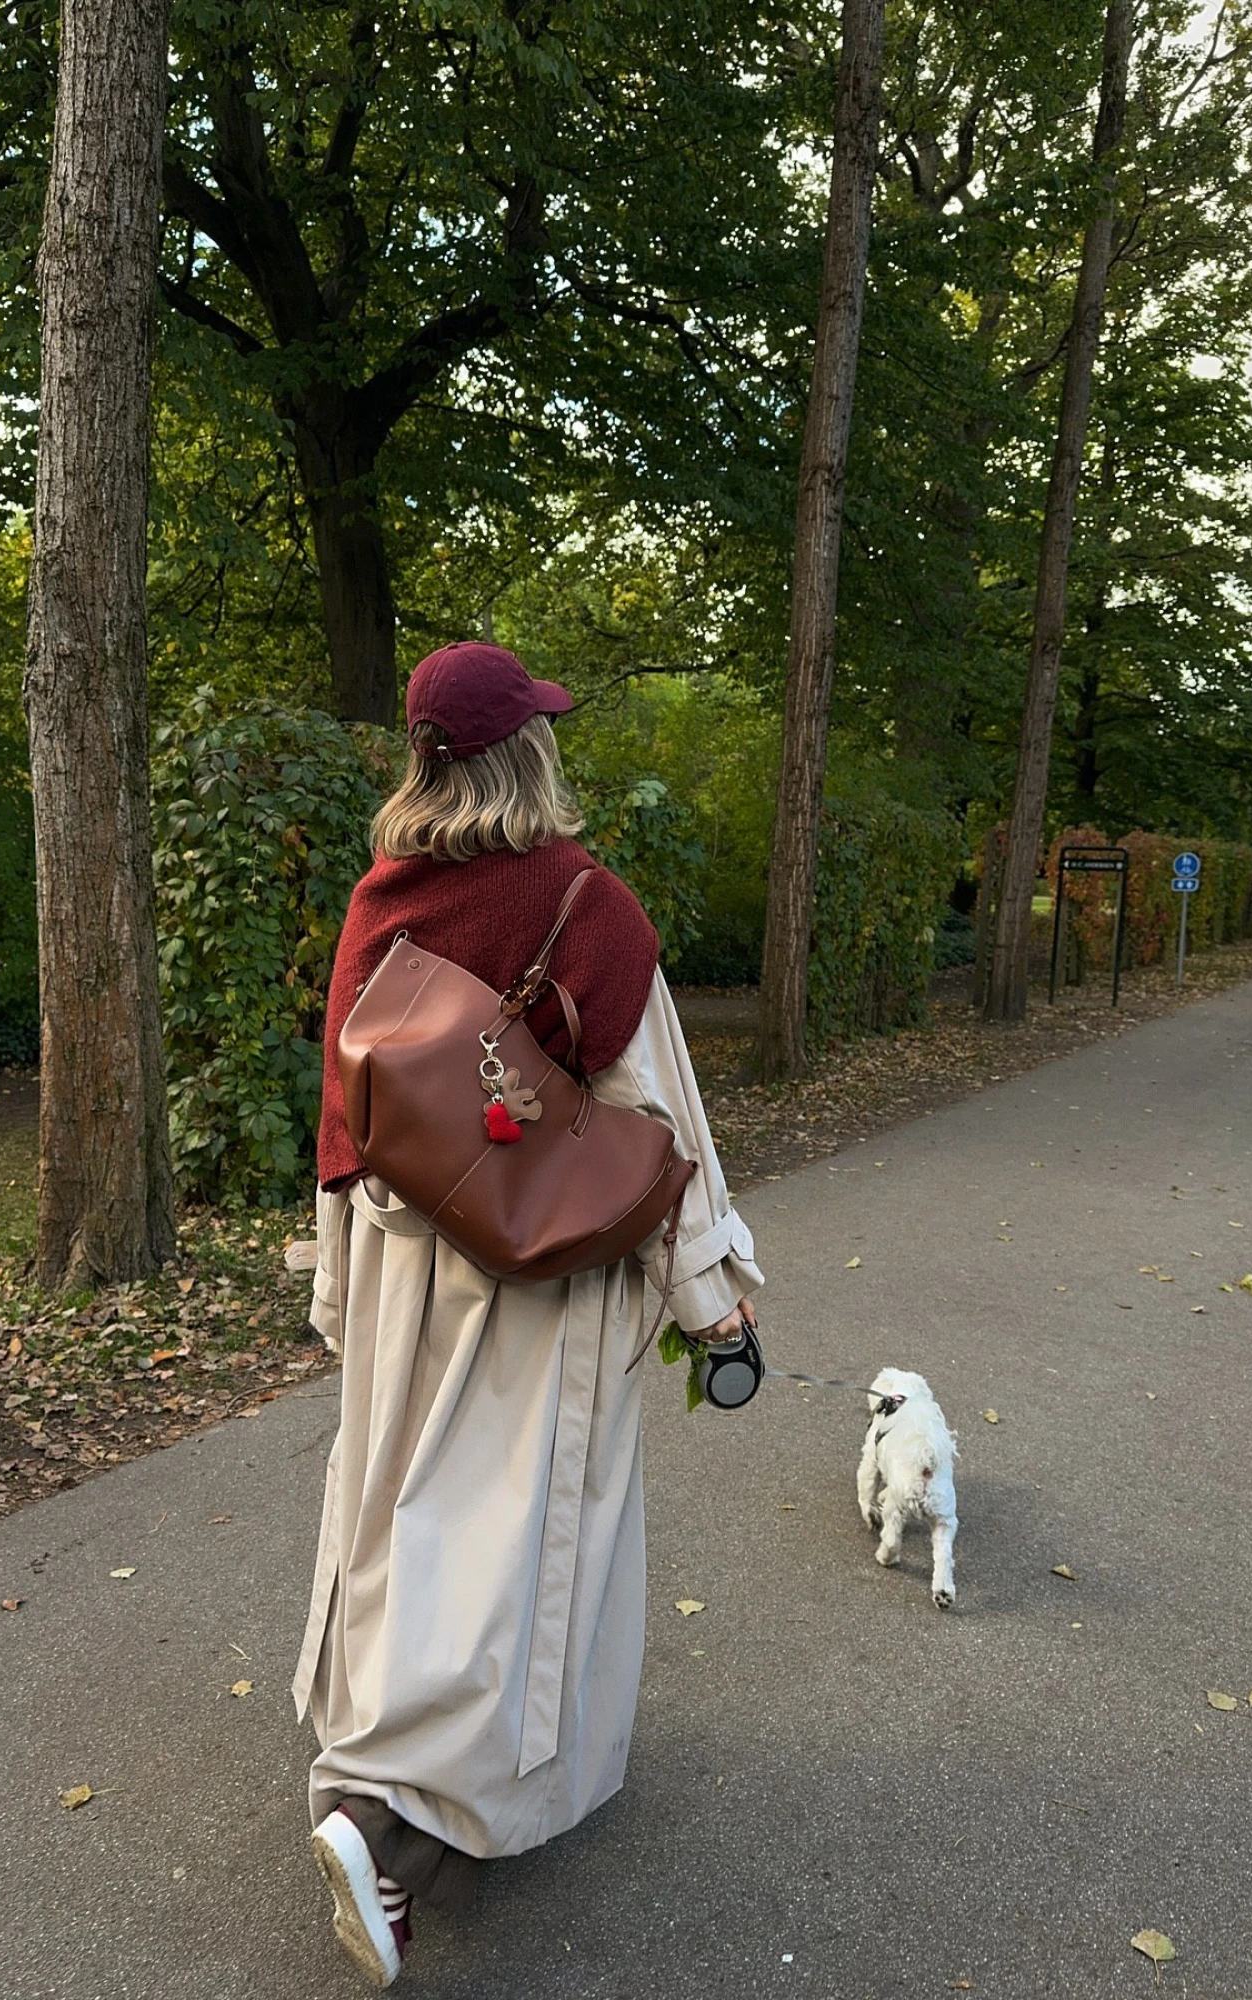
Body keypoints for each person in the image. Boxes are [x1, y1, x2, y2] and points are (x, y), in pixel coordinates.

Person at [294, 641, 763, 1988]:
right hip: (535, 1274)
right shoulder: (585, 906)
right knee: (509, 1555)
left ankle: (367, 1772)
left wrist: (341, 1292)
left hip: (401, 1268)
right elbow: (659, 1128)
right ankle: (391, 1835)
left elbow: (344, 1123)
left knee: (398, 1519)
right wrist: (712, 1308)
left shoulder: (383, 902)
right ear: (526, 755)